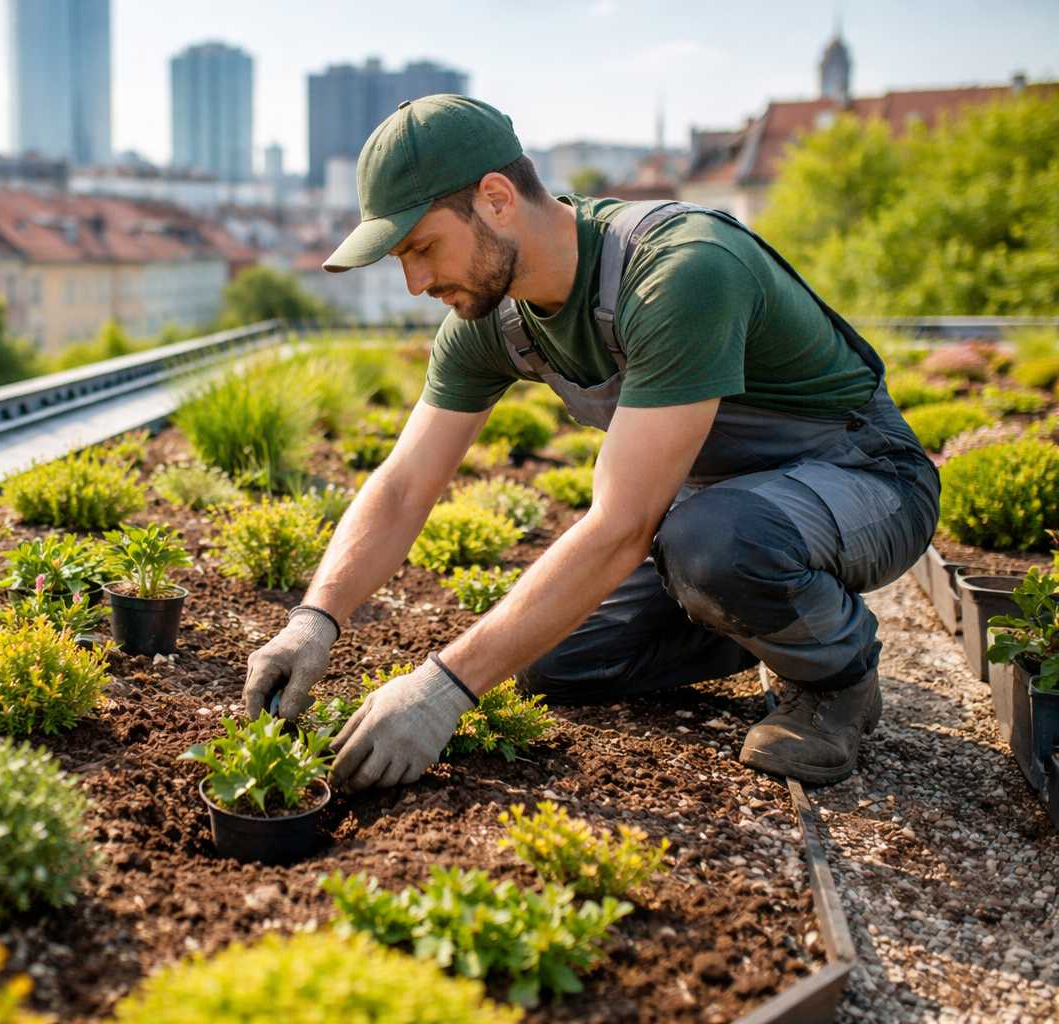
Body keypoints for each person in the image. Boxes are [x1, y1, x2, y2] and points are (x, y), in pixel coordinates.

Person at [242, 94, 939, 791]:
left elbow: (623, 524)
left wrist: (442, 688)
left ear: (495, 199)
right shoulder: (491, 318)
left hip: (863, 477)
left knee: (715, 546)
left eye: (422, 247)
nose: (416, 282)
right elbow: (403, 485)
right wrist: (315, 618)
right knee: (553, 661)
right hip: (726, 506)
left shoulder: (679, 272)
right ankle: (765, 611)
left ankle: (835, 677)